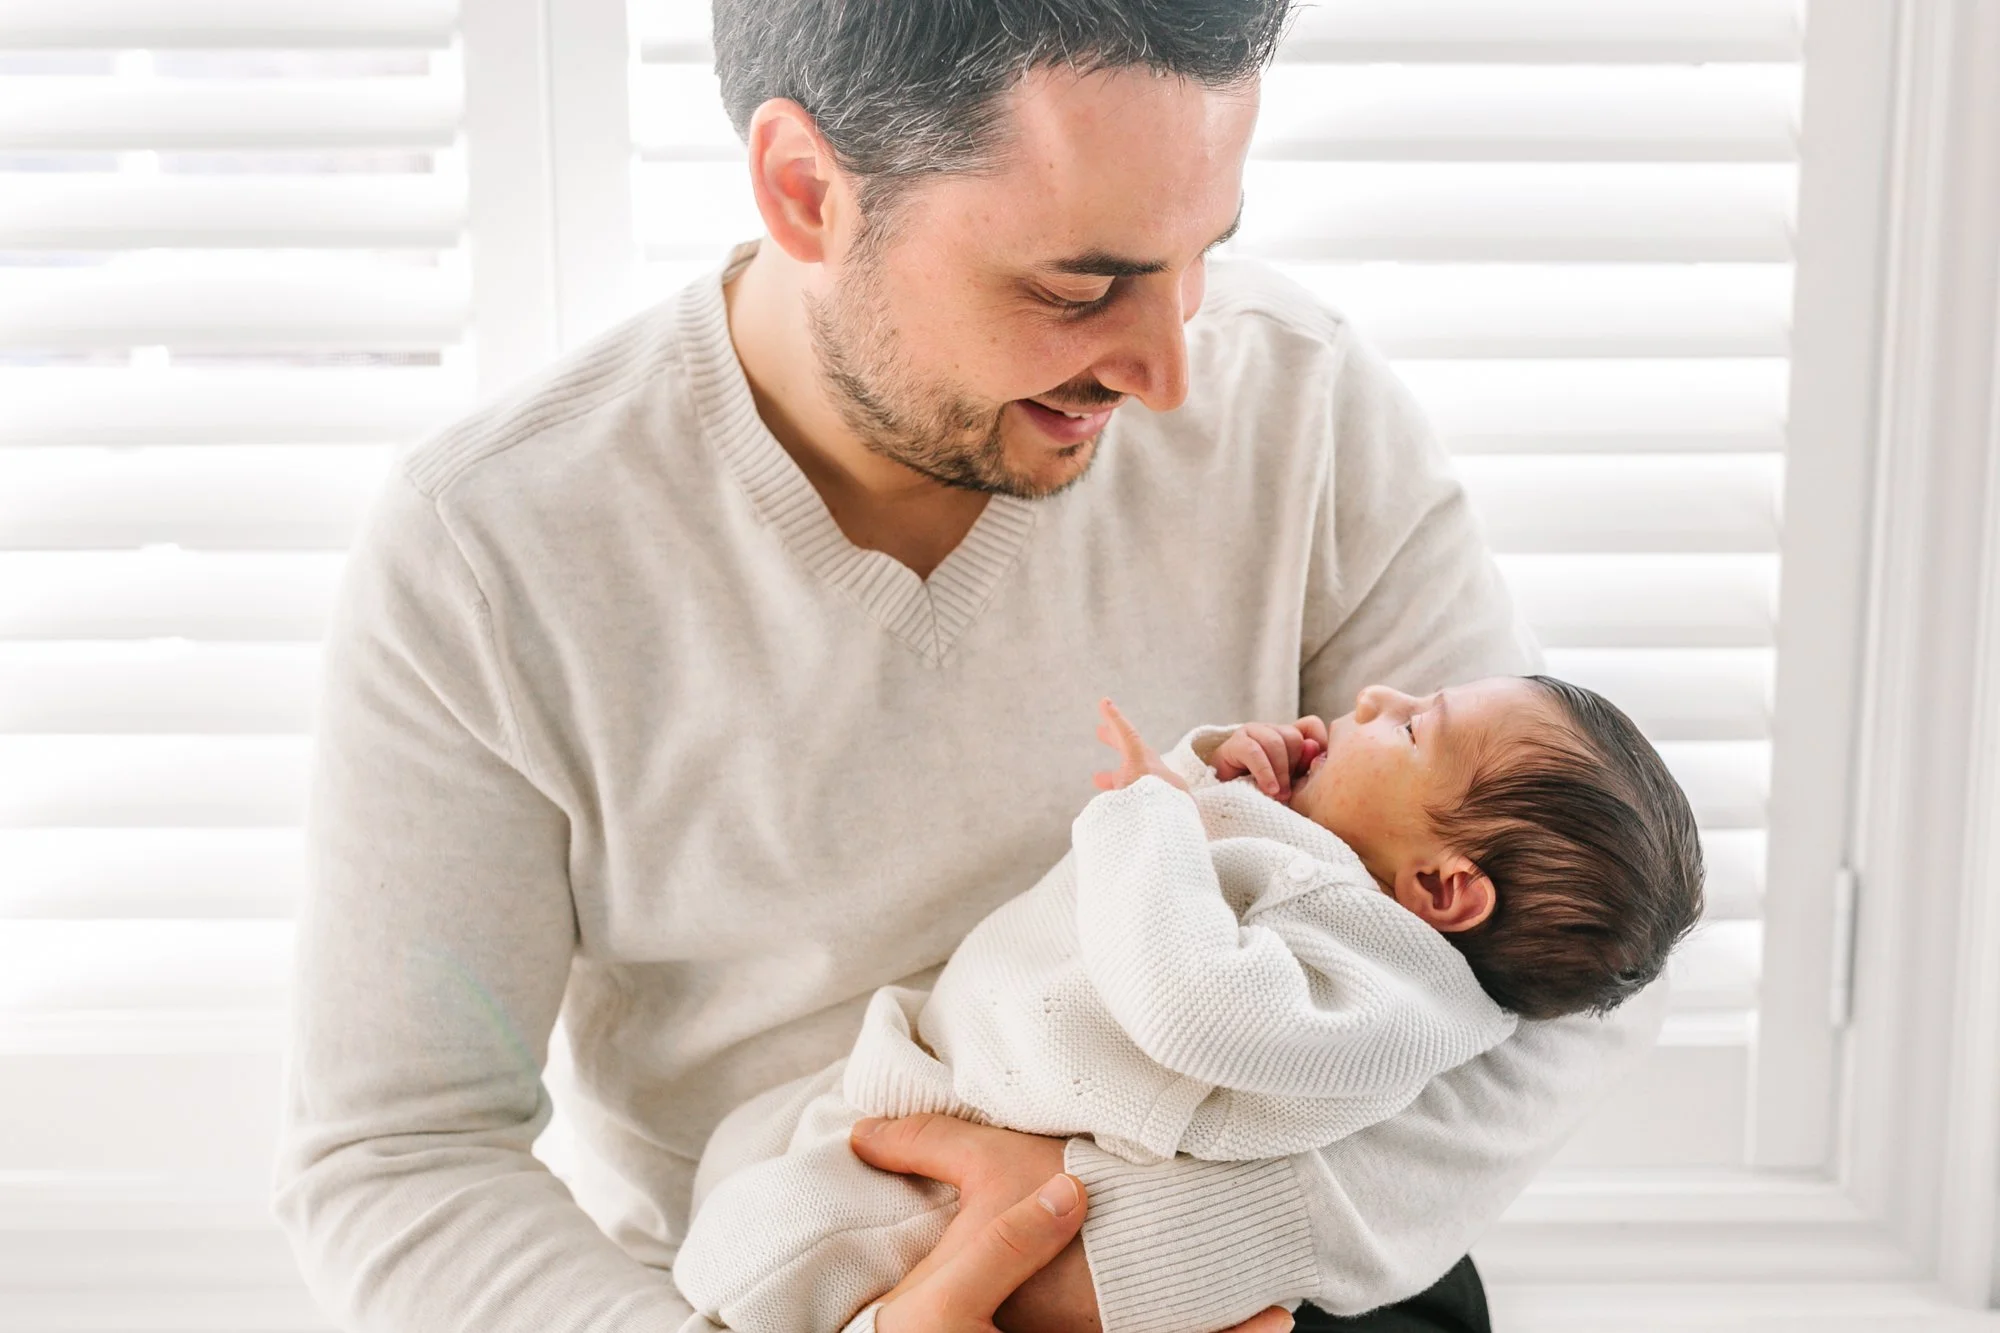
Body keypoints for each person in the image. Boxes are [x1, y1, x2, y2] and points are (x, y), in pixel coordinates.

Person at [271, 2, 1674, 1330]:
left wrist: (1144, 1257)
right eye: (1081, 283)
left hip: (1286, 1282)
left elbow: (1579, 950)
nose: (1170, 371)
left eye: (1201, 256)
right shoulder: (491, 549)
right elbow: (398, 1155)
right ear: (806, 192)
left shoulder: (1300, 403)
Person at [672, 684, 1704, 1331]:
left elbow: (1190, 1000)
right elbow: (1216, 899)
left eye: (1408, 726)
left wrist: (1152, 808)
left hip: (983, 1164)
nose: (1372, 697)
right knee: (738, 1163)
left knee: (757, 1256)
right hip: (934, 1086)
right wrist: (1228, 781)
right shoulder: (1362, 914)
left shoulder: (1383, 991)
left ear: (1441, 888)